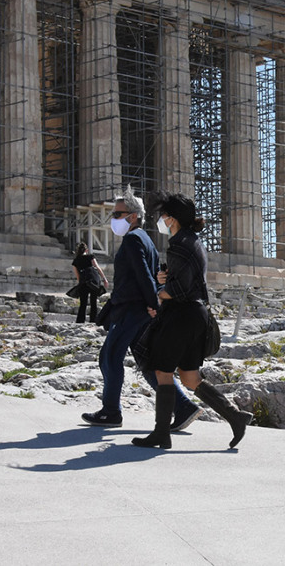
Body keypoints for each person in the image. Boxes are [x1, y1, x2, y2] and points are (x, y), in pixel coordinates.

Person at [131, 192, 252, 450]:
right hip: (195, 315)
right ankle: (235, 416)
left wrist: (159, 291)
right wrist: (167, 280)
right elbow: (185, 280)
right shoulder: (191, 240)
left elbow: (181, 290)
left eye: (163, 215)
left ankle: (161, 434)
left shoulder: (179, 244)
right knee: (189, 377)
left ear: (172, 218)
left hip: (182, 314)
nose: (161, 220)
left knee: (162, 371)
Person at [81, 187, 201, 429]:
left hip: (132, 310)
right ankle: (184, 407)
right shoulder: (145, 239)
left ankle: (111, 411)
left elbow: (145, 276)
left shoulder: (133, 239)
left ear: (133, 216)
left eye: (117, 214)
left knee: (110, 356)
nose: (113, 219)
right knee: (148, 365)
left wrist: (152, 304)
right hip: (139, 310)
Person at [71, 243, 109, 323]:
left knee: (83, 303)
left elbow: (77, 275)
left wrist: (80, 283)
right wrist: (104, 279)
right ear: (86, 250)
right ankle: (93, 320)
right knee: (93, 302)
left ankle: (80, 321)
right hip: (93, 282)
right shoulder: (90, 257)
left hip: (83, 282)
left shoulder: (75, 261)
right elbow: (97, 267)